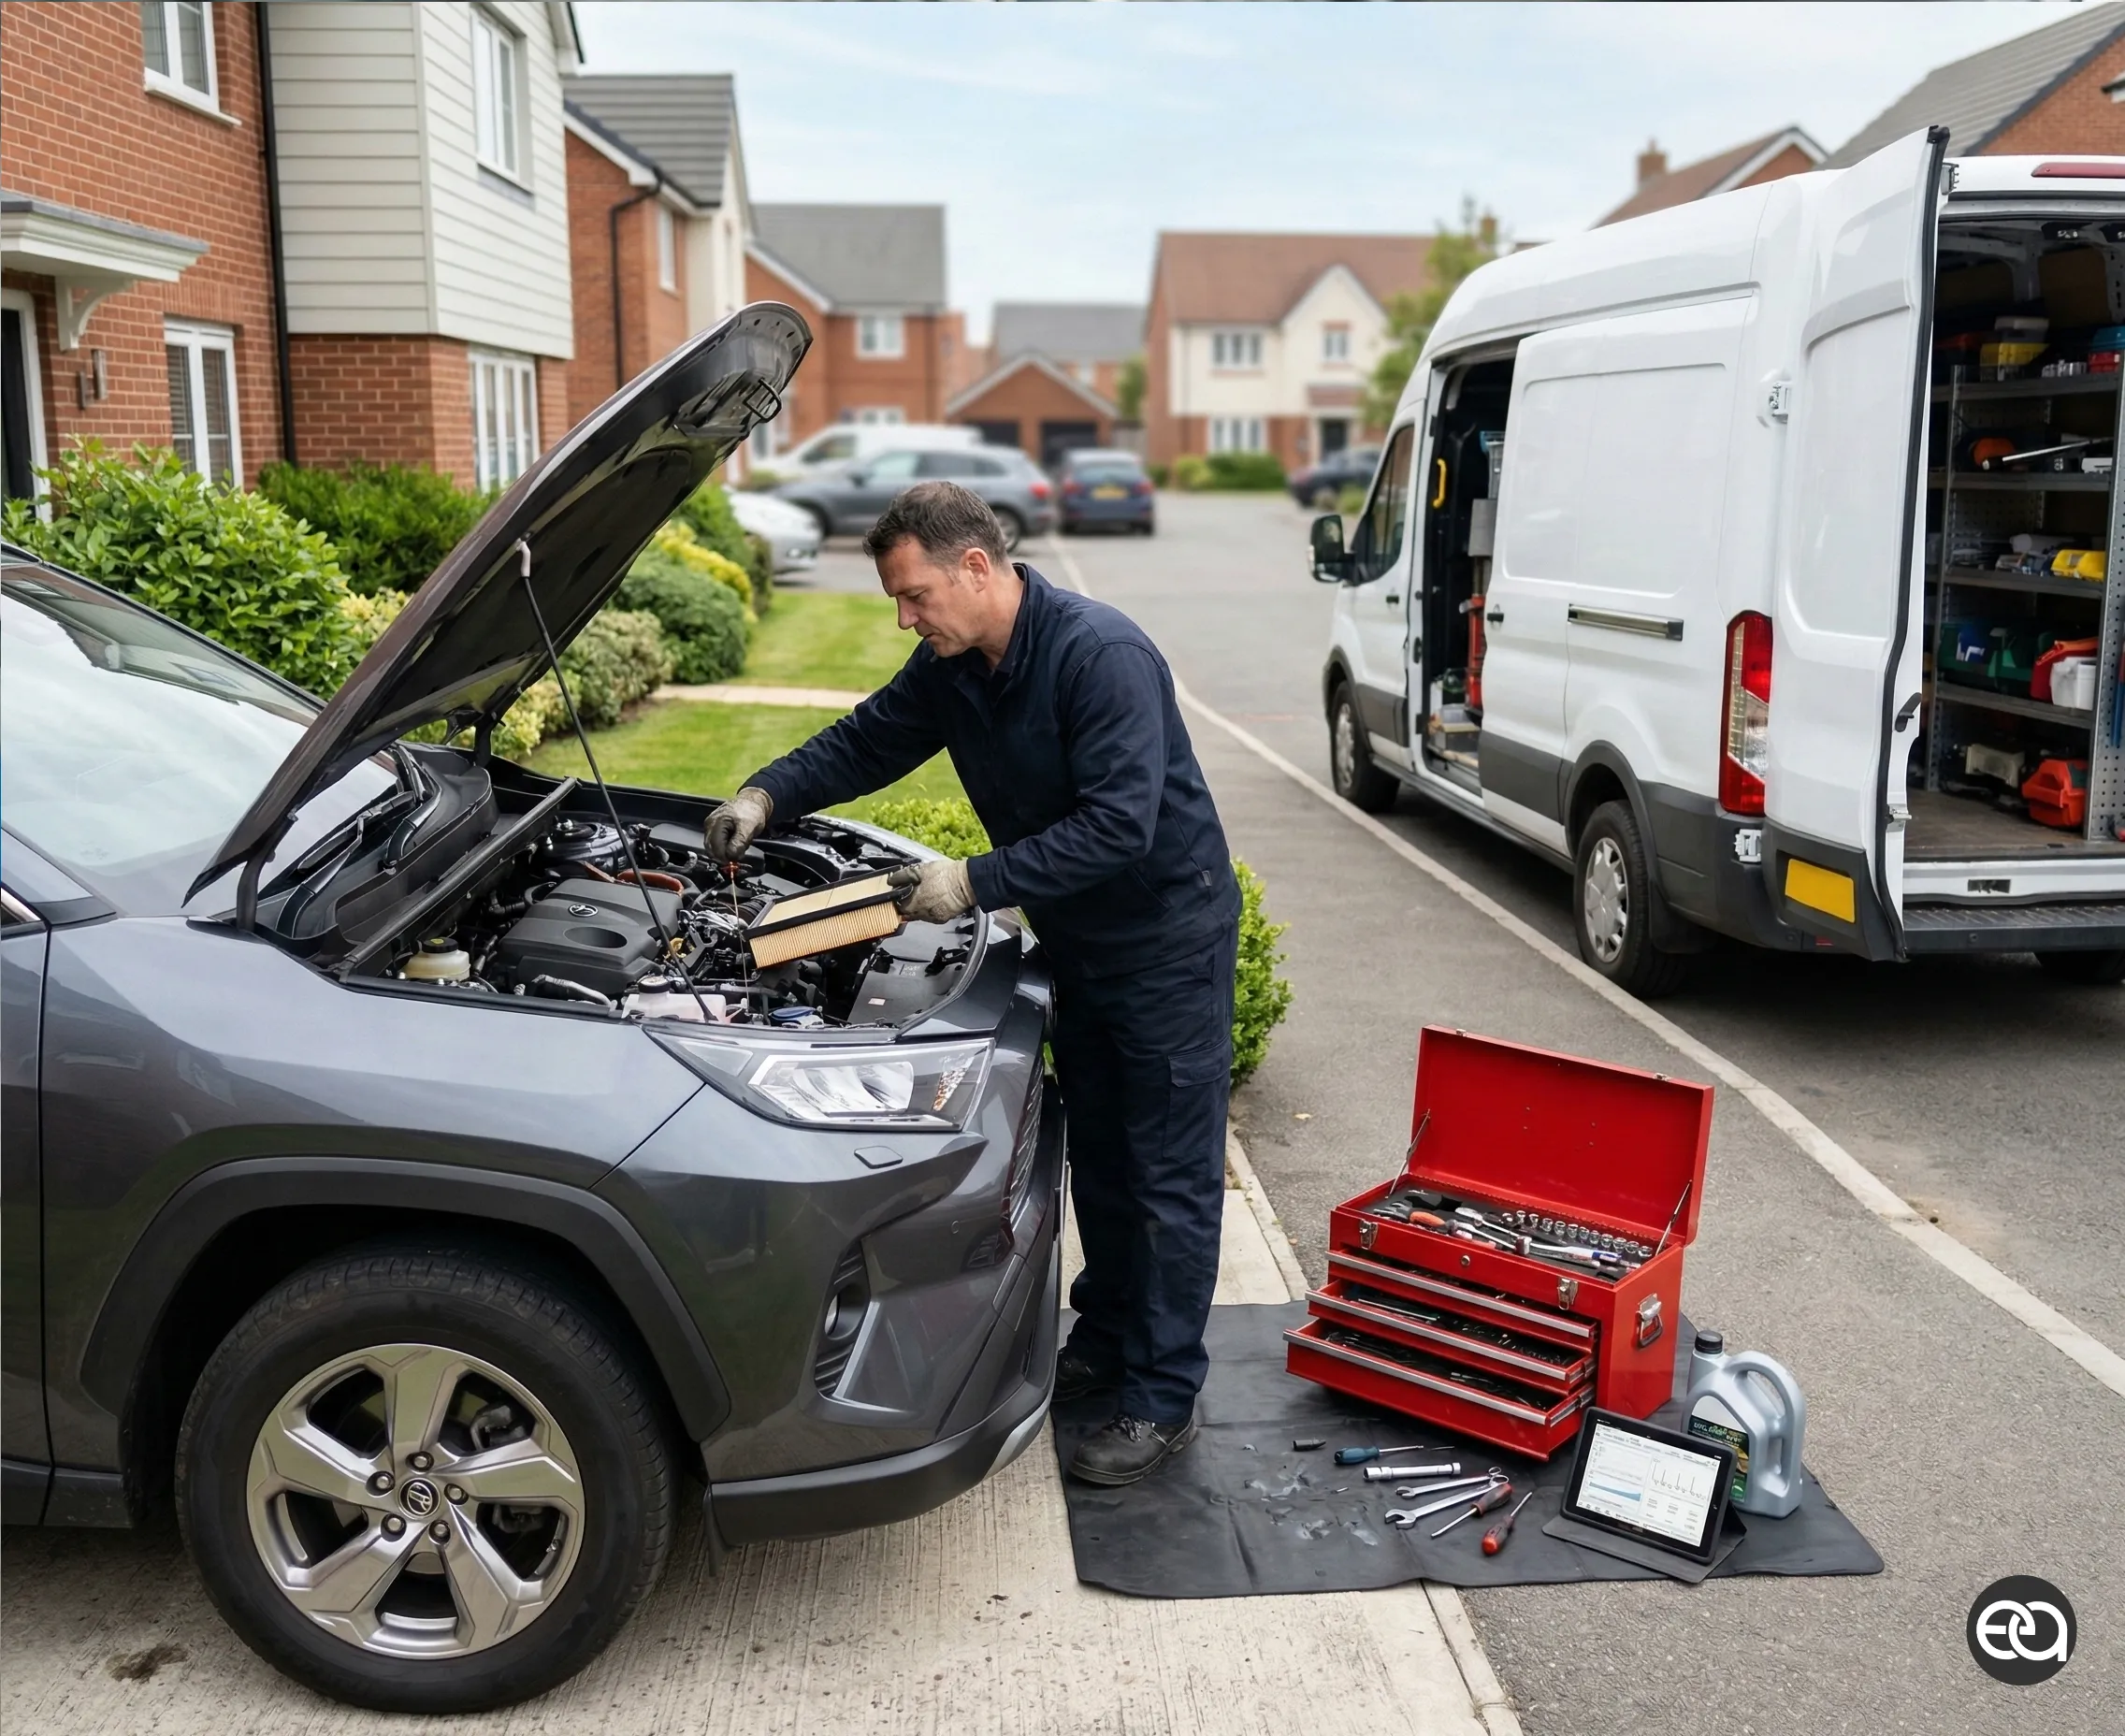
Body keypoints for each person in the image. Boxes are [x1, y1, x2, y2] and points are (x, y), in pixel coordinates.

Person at [703, 481, 1240, 1485]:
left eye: (915, 596)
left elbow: (1119, 825)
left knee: (1167, 1174)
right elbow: (867, 739)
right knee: (1105, 1159)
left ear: (977, 567)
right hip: (1081, 941)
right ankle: (1109, 1337)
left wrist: (971, 881)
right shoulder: (955, 666)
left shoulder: (1100, 656)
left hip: (1166, 942)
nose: (906, 618)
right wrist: (766, 795)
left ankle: (1163, 1397)